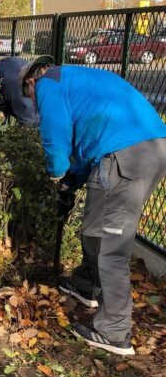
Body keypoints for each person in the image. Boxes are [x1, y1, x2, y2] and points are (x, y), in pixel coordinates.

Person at [20, 55, 166, 356]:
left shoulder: (49, 84)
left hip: (124, 156)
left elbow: (55, 140)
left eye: (29, 97)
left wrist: (56, 174)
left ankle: (114, 331)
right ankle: (87, 284)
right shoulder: (77, 79)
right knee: (94, 229)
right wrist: (70, 185)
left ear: (30, 82)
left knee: (110, 244)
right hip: (151, 148)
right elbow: (88, 149)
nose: (34, 104)